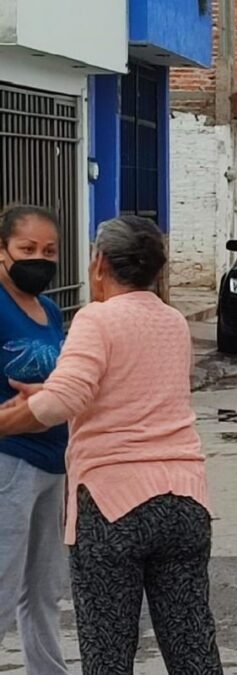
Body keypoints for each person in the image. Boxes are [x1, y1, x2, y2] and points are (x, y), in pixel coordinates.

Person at [0, 215, 223, 674]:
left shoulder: (96, 318)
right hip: (183, 501)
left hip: (113, 506)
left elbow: (66, 398)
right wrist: (47, 394)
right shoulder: (173, 322)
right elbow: (126, 389)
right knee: (192, 646)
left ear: (99, 263)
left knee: (108, 655)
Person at [0, 205, 68, 675]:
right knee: (2, 587)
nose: (39, 260)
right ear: (2, 250)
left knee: (44, 590)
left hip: (54, 461)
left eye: (49, 251)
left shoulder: (49, 309)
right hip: (9, 459)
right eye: (27, 250)